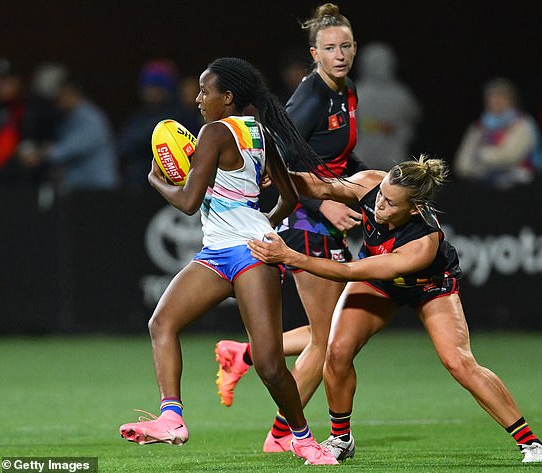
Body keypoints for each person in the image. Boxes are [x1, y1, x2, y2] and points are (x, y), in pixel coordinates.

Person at [247, 155, 542, 464]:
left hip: (428, 285)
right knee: (336, 352)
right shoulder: (370, 183)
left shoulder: (422, 244)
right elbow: (317, 186)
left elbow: (351, 271)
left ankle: (530, 442)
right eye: (382, 195)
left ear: (414, 208)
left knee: (458, 362)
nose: (380, 204)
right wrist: (272, 171)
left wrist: (290, 256)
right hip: (381, 282)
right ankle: (341, 439)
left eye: (391, 203)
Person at [118, 57, 338, 465]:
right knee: (162, 322)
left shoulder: (215, 132)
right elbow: (289, 199)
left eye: (206, 91)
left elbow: (187, 202)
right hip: (227, 251)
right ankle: (171, 418)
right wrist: (261, 227)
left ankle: (304, 439)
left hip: (245, 254)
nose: (199, 98)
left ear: (228, 97)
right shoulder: (261, 132)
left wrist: (155, 180)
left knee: (270, 365)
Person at [215, 2, 366, 453]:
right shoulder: (313, 96)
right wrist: (323, 205)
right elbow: (280, 159)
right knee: (329, 340)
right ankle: (283, 437)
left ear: (355, 49)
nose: (339, 54)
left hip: (323, 219)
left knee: (332, 334)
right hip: (304, 223)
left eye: (346, 46)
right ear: (314, 54)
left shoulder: (347, 90)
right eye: (329, 48)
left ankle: (241, 356)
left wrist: (362, 186)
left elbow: (334, 159)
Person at [18, 74, 119, 193]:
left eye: (61, 95)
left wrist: (41, 154)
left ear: (72, 94)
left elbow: (69, 148)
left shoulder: (91, 118)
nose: (57, 100)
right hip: (80, 189)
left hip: (99, 189)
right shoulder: (69, 118)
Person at [453, 77, 542, 189]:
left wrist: (482, 156)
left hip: (518, 188)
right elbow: (462, 164)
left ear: (512, 100)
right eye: (491, 97)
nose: (496, 101)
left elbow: (511, 156)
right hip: (482, 186)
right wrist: (479, 169)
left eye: (501, 96)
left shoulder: (522, 123)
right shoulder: (478, 127)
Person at [353, 41, 423, 170]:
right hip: (364, 151)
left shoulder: (400, 93)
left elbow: (414, 116)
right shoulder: (357, 92)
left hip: (392, 151)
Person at [118, 59, 184, 190]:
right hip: (139, 186)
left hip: (169, 188)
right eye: (147, 87)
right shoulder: (140, 115)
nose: (149, 91)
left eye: (155, 87)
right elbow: (123, 145)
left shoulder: (178, 116)